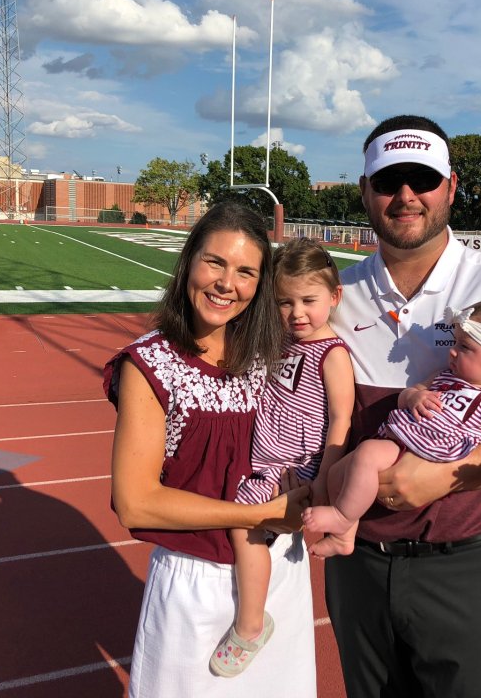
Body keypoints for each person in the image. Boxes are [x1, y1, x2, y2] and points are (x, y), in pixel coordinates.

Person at [325, 115, 481, 698]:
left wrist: (441, 477)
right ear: (365, 190)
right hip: (359, 561)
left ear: (451, 186)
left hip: (468, 565)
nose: (407, 196)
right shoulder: (336, 294)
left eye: (423, 179)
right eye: (389, 181)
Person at [103, 202, 316, 698]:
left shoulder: (276, 352)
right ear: (188, 262)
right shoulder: (149, 362)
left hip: (279, 573)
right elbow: (135, 501)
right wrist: (259, 513)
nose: (227, 283)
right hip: (196, 584)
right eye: (215, 262)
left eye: (245, 272)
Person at [212, 237, 354, 677]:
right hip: (265, 457)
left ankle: (251, 624)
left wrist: (322, 483)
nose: (296, 313)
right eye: (284, 302)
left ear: (334, 297)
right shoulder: (282, 343)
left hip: (298, 466)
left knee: (243, 523)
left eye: (309, 301)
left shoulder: (332, 354)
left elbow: (341, 421)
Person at [304, 298, 481, 557]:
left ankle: (342, 516)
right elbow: (411, 392)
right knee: (338, 473)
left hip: (429, 452)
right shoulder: (444, 376)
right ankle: (344, 538)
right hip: (403, 438)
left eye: (465, 347)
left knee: (367, 455)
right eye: (455, 342)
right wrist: (414, 397)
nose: (453, 351)